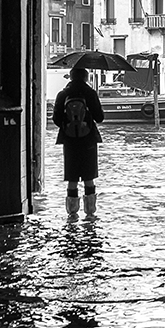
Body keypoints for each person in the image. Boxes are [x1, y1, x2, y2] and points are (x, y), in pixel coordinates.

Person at [52, 67, 104, 216]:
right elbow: (100, 118)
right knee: (89, 177)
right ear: (86, 78)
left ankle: (72, 213)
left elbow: (56, 120)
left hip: (69, 141)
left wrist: (68, 125)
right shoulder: (90, 93)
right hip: (88, 140)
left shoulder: (62, 94)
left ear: (71, 77)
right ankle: (90, 213)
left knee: (72, 177)